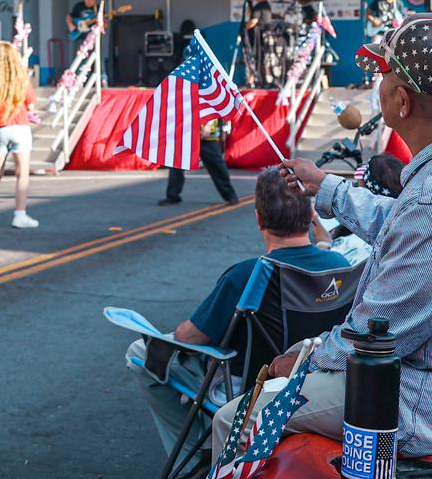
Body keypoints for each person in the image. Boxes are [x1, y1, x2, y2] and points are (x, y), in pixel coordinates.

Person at [212, 12, 432, 462]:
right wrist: (326, 187)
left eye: (383, 74)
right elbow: (405, 227)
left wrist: (300, 360)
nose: (377, 85)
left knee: (233, 419)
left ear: (401, 101)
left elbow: (372, 339)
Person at [127, 168, 350, 466]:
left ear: (259, 219)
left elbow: (189, 337)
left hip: (249, 388)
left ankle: (194, 455)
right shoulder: (340, 265)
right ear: (311, 215)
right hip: (314, 381)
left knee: (140, 351)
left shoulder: (248, 275)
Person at [0, 41, 38, 228]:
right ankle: (20, 215)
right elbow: (31, 105)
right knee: (22, 173)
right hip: (19, 126)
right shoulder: (21, 79)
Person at [158, 119, 239, 206]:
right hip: (186, 132)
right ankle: (172, 195)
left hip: (206, 134)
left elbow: (215, 110)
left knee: (216, 164)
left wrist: (209, 125)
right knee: (176, 164)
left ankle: (230, 195)